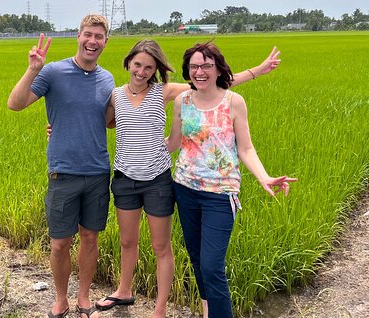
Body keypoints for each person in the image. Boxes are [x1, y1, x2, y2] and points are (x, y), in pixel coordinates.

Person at [93, 40, 281, 318]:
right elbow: (97, 121)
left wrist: (257, 70)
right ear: (128, 63)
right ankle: (125, 291)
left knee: (181, 254)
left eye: (149, 66)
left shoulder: (166, 92)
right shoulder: (116, 96)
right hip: (144, 181)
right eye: (137, 65)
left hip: (169, 181)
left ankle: (161, 310)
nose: (142, 71)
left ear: (156, 69)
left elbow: (213, 85)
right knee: (135, 243)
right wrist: (57, 129)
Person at [165, 41, 297, 318]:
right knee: (199, 260)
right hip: (185, 189)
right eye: (194, 67)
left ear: (217, 69)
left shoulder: (233, 102)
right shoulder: (182, 101)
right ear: (188, 71)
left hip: (220, 194)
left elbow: (245, 148)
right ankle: (206, 311)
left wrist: (264, 177)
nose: (200, 72)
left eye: (206, 66)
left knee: (213, 266)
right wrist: (137, 147)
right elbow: (174, 142)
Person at [8, 14, 114, 318]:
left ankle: (82, 298)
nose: (92, 41)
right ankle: (60, 299)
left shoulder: (107, 79)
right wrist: (32, 69)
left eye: (99, 36)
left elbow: (108, 121)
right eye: (88, 35)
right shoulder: (53, 72)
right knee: (59, 243)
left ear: (106, 42)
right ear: (78, 36)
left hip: (96, 172)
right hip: (63, 172)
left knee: (91, 237)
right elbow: (15, 103)